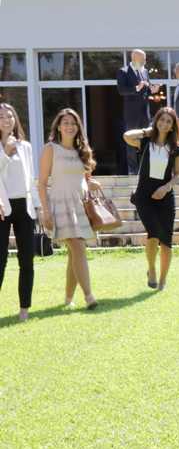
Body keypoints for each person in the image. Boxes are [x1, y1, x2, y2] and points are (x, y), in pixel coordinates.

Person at [38, 108, 101, 310]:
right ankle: (89, 297)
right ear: (58, 126)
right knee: (78, 248)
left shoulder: (82, 150)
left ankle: (67, 299)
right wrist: (45, 211)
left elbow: (84, 179)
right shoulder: (50, 149)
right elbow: (42, 183)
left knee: (75, 253)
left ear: (78, 127)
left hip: (80, 204)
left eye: (73, 123)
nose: (69, 126)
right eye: (65, 122)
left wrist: (91, 184)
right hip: (60, 204)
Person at [124, 107, 179, 291]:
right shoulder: (145, 143)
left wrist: (166, 188)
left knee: (166, 239)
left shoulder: (176, 149)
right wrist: (146, 131)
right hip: (144, 196)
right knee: (153, 232)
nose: (164, 124)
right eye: (161, 120)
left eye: (168, 121)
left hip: (165, 196)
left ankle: (163, 280)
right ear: (156, 121)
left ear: (173, 126)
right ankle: (151, 269)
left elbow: (178, 174)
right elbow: (126, 136)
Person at [0, 103, 41, 322]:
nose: (6, 120)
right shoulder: (5, 147)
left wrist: (38, 207)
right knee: (1, 260)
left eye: (10, 116)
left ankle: (25, 308)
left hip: (24, 207)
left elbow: (31, 179)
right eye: (1, 117)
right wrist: (5, 153)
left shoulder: (25, 146)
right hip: (2, 207)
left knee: (27, 260)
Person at [117, 49, 160, 175]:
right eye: (143, 59)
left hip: (145, 113)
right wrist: (136, 88)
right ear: (135, 58)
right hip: (132, 114)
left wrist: (153, 89)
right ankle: (133, 169)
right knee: (131, 140)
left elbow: (147, 89)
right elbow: (121, 90)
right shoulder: (123, 71)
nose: (145, 61)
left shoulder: (144, 71)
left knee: (146, 140)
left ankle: (144, 167)